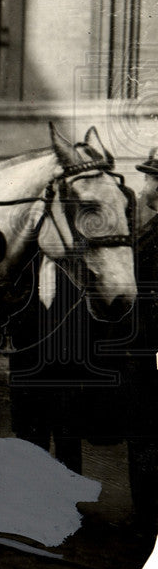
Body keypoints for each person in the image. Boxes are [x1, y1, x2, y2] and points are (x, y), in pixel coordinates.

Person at [124, 147, 158, 531]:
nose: (145, 184)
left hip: (151, 350)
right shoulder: (150, 227)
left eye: (150, 177)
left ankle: (146, 518)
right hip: (146, 347)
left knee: (146, 435)